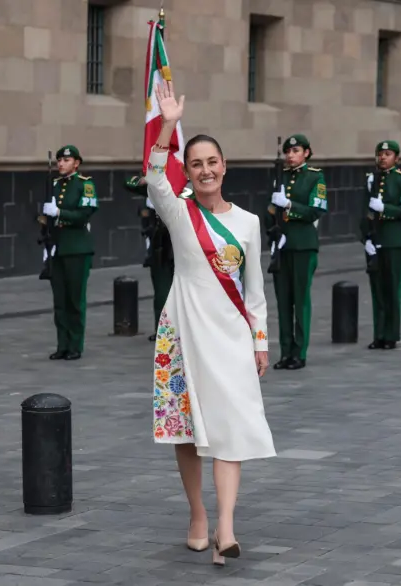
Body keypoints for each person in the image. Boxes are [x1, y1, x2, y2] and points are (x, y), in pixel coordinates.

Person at [145, 80, 275, 566]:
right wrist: (169, 125)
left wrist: (261, 342)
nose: (204, 170)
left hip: (232, 336)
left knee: (231, 424)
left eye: (212, 162)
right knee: (186, 429)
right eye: (196, 163)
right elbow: (155, 177)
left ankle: (226, 525)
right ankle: (198, 514)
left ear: (224, 168)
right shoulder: (179, 214)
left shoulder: (248, 223)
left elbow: (256, 289)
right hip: (183, 333)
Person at [264, 134, 328, 370]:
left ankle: (299, 352)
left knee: (300, 301)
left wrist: (289, 204)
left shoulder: (314, 177)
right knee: (283, 302)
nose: (290, 155)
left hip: (303, 245)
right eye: (287, 152)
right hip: (282, 246)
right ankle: (285, 352)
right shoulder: (280, 177)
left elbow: (316, 210)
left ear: (307, 153)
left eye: (296, 151)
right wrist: (272, 234)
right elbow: (269, 211)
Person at [42, 145, 98, 361]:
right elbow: (44, 219)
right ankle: (62, 345)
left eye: (66, 160)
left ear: (76, 163)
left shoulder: (85, 185)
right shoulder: (53, 185)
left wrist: (59, 213)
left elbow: (84, 214)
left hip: (77, 248)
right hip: (57, 247)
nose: (61, 164)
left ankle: (75, 345)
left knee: (74, 300)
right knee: (60, 301)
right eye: (59, 160)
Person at [360, 140, 401, 350]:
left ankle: (391, 335)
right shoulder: (370, 180)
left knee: (392, 288)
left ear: (396, 158)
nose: (383, 157)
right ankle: (379, 334)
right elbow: (363, 212)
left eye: (388, 154)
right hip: (375, 241)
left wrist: (385, 208)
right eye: (380, 154)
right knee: (377, 289)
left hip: (395, 240)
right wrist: (365, 238)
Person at [124, 175, 185, 341]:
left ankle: (182, 330)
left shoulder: (186, 185)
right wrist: (147, 180)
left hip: (181, 245)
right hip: (159, 244)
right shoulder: (154, 186)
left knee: (184, 291)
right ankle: (162, 329)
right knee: (161, 291)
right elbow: (128, 183)